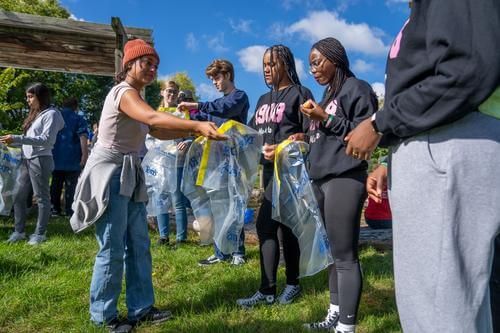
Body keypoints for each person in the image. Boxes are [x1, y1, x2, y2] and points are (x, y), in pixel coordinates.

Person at [345, 1, 500, 331]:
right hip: (440, 141)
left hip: (452, 141)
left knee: (440, 310)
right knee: (457, 302)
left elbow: (468, 68)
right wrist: (392, 158)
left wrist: (379, 123)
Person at [69, 39, 226, 333]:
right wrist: (195, 126)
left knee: (139, 244)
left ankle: (141, 307)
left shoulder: (137, 97)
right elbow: (153, 117)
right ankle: (104, 315)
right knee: (113, 246)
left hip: (130, 171)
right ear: (129, 64)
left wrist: (195, 131)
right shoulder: (124, 93)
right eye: (146, 63)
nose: (153, 68)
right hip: (111, 172)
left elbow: (157, 128)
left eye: (155, 64)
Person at [296, 38, 377, 333]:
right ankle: (334, 313)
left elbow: (364, 135)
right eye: (310, 64)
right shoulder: (327, 95)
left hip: (345, 177)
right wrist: (303, 137)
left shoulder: (358, 89)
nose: (313, 69)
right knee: (331, 253)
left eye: (317, 61)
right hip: (321, 179)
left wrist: (324, 117)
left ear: (335, 58)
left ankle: (347, 326)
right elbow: (324, 135)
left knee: (345, 255)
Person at [236, 44, 314, 308]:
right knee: (267, 227)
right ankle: (268, 291)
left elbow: (312, 135)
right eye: (264, 65)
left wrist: (297, 140)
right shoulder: (261, 100)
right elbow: (252, 138)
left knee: (285, 228)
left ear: (287, 64)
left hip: (292, 175)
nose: (267, 70)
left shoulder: (301, 93)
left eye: (272, 64)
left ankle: (291, 285)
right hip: (268, 174)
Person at [178, 59, 249, 266]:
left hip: (235, 161)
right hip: (216, 162)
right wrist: (186, 113)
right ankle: (220, 252)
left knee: (234, 205)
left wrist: (197, 105)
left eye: (216, 77)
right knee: (218, 205)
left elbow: (225, 109)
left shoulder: (239, 97)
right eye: (211, 79)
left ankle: (238, 251)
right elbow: (205, 118)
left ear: (227, 75)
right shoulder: (216, 104)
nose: (214, 83)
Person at [1, 83, 64, 245]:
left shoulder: (52, 114)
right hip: (27, 160)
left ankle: (39, 234)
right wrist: (10, 143)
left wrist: (16, 138)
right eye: (27, 97)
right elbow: (28, 142)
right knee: (19, 196)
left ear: (40, 96)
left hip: (41, 159)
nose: (27, 100)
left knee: (41, 197)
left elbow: (46, 140)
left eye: (30, 96)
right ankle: (19, 231)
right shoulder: (36, 115)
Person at [154, 80, 190, 246]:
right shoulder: (155, 113)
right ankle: (163, 236)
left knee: (177, 199)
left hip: (178, 162)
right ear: (162, 92)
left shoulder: (182, 113)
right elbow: (149, 138)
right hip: (160, 162)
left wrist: (187, 142)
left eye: (175, 92)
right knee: (160, 198)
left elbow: (192, 133)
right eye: (169, 91)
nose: (172, 94)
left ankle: (181, 238)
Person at [50, 97, 89, 217]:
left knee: (56, 185)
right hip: (72, 158)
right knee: (71, 186)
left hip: (55, 157)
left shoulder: (54, 117)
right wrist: (85, 155)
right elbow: (83, 138)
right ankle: (69, 211)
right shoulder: (79, 118)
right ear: (75, 106)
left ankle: (55, 210)